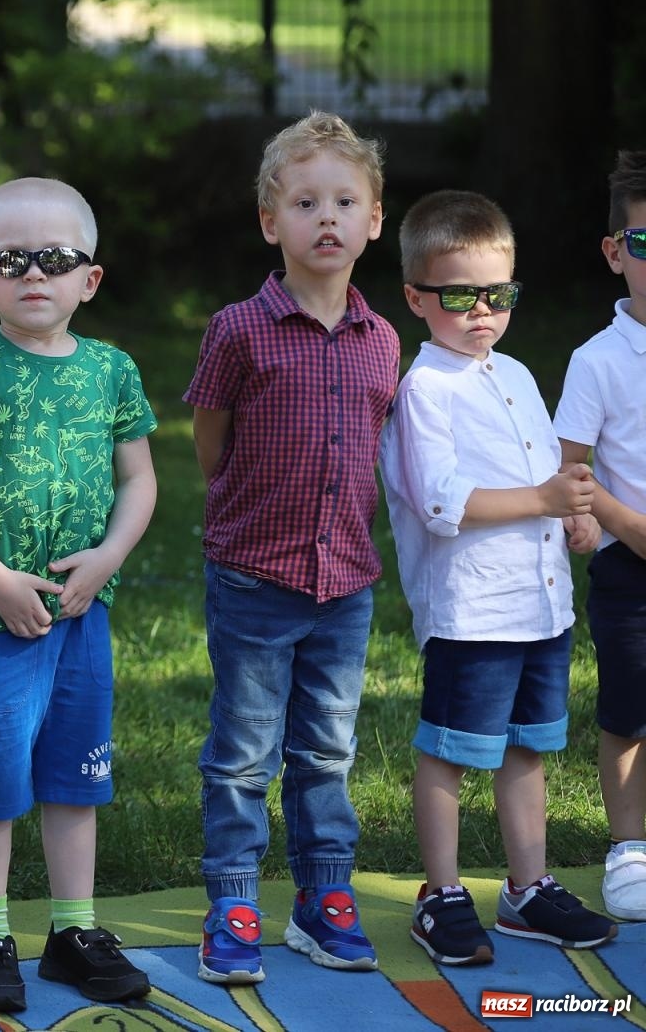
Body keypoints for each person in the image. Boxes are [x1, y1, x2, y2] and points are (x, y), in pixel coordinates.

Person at [0, 177, 158, 1013]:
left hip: (83, 610)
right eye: (9, 262)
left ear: (90, 277)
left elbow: (140, 479)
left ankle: (73, 931)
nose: (32, 275)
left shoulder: (113, 370)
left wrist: (110, 557)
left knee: (75, 776)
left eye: (54, 259)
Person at [183, 111, 398, 984]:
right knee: (242, 748)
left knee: (326, 749)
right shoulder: (239, 330)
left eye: (346, 201)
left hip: (344, 583)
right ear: (272, 223)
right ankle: (233, 901)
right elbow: (209, 439)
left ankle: (324, 900)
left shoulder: (385, 340)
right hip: (255, 577)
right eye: (306, 202)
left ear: (375, 220)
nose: (328, 218)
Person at [380, 189, 617, 965]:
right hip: (473, 610)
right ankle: (441, 894)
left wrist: (571, 512)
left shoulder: (512, 370)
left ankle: (526, 888)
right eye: (458, 295)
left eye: (499, 294)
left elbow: (545, 466)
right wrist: (547, 496)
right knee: (450, 751)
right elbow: (442, 501)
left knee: (527, 748)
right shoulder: (424, 392)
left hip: (540, 605)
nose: (481, 311)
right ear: (417, 297)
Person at [553, 149, 646, 924]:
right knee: (627, 712)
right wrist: (619, 527)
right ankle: (628, 848)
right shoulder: (598, 360)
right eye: (645, 243)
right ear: (616, 252)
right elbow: (573, 472)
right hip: (630, 573)